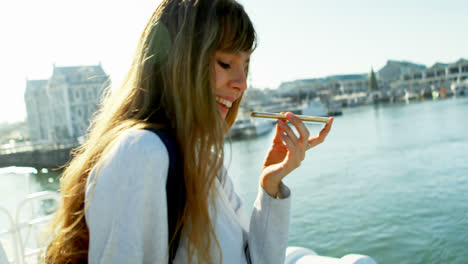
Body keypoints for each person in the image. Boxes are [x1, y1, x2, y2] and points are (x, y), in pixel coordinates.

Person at [43, 0, 333, 263]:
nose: (242, 83)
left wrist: (270, 184)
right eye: (225, 63)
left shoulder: (203, 159)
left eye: (245, 65)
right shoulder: (141, 153)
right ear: (180, 64)